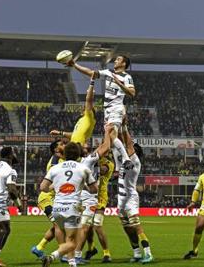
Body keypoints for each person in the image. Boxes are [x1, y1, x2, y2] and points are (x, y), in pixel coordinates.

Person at [67, 55, 135, 170]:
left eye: (118, 59)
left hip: (116, 107)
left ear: (124, 64)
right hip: (107, 110)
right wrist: (74, 65)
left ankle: (126, 159)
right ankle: (119, 166)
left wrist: (119, 83)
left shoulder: (127, 77)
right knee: (110, 138)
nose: (115, 60)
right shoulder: (108, 72)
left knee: (112, 133)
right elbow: (91, 73)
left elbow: (132, 93)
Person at [41, 142, 97, 267]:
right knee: (72, 242)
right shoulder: (83, 168)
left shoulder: (55, 168)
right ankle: (52, 256)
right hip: (72, 207)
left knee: (63, 235)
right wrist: (84, 186)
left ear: (64, 154)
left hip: (57, 207)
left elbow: (43, 188)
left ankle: (71, 262)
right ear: (78, 155)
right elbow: (94, 190)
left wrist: (56, 186)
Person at [73, 125, 112, 264]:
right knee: (84, 227)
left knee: (83, 227)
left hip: (81, 196)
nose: (87, 145)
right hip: (89, 197)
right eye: (85, 145)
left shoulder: (76, 162)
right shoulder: (89, 160)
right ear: (82, 152)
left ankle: (76, 252)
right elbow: (106, 147)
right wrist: (107, 131)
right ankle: (75, 256)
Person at [117, 123, 154, 264]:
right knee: (128, 228)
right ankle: (137, 253)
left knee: (136, 226)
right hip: (121, 199)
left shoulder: (135, 162)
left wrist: (125, 126)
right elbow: (121, 142)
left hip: (130, 198)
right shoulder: (125, 161)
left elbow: (128, 143)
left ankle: (148, 253)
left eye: (131, 149)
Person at [31, 140, 66, 259]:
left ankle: (39, 247)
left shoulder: (63, 160)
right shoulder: (55, 162)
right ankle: (62, 252)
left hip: (54, 199)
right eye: (62, 144)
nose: (64, 145)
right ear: (56, 149)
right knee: (58, 224)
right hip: (47, 199)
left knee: (59, 224)